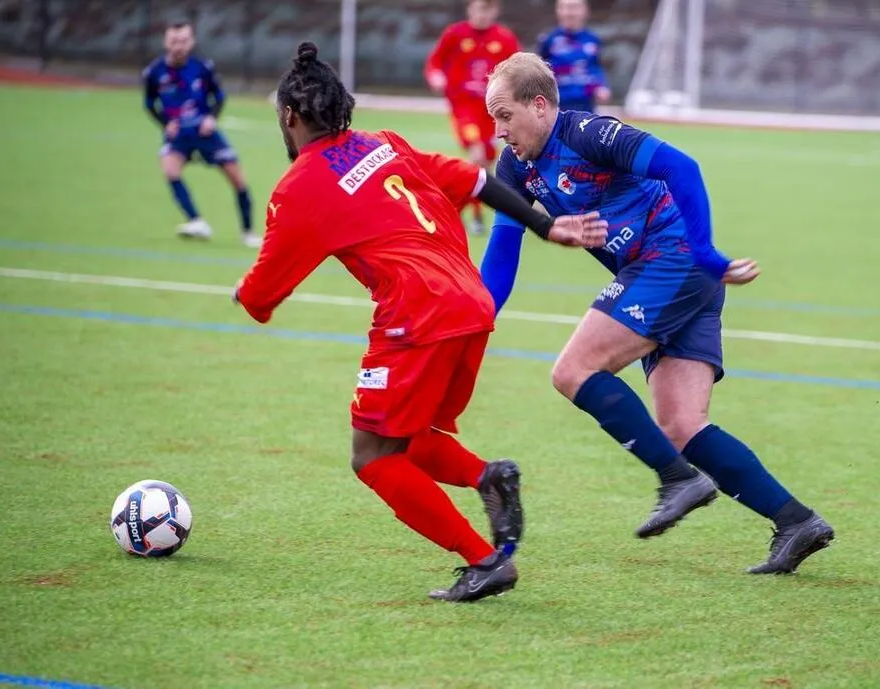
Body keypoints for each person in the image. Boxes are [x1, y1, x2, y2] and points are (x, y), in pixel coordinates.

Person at [234, 43, 608, 601]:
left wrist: (241, 292)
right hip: (472, 304)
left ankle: (485, 561)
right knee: (407, 440)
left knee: (372, 457)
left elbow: (261, 297)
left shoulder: (298, 188)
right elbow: (476, 181)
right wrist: (543, 224)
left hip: (418, 316)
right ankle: (488, 477)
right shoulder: (383, 144)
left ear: (289, 116)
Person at [480, 53, 834, 574]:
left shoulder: (588, 134)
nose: (498, 131)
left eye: (504, 115)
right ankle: (796, 522)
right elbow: (503, 246)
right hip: (673, 276)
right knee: (682, 425)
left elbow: (681, 166)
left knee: (574, 370)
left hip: (674, 261)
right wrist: (480, 314)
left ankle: (678, 479)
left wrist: (706, 252)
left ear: (538, 105)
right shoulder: (515, 168)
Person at [142, 21, 260, 247]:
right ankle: (197, 221)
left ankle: (248, 232)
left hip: (205, 132)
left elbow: (219, 96)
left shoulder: (203, 67)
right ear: (166, 42)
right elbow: (149, 103)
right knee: (170, 170)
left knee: (238, 179)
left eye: (183, 41)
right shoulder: (154, 72)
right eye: (174, 41)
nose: (179, 46)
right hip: (178, 135)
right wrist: (165, 123)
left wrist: (211, 118)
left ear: (191, 42)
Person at [424, 0, 520, 235]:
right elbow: (434, 62)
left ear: (495, 11)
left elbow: (519, 68)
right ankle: (461, 214)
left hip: (492, 111)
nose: (482, 14)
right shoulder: (455, 34)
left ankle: (460, 210)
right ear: (470, 9)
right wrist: (436, 76)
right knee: (477, 155)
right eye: (479, 9)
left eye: (488, 9)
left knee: (484, 164)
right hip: (464, 107)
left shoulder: (504, 38)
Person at [537, 0, 611, 112]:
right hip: (557, 104)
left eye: (574, 7)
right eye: (565, 8)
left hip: (586, 105)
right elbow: (539, 70)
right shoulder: (548, 40)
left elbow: (596, 67)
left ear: (585, 10)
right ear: (558, 11)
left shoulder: (593, 39)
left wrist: (601, 87)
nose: (570, 13)